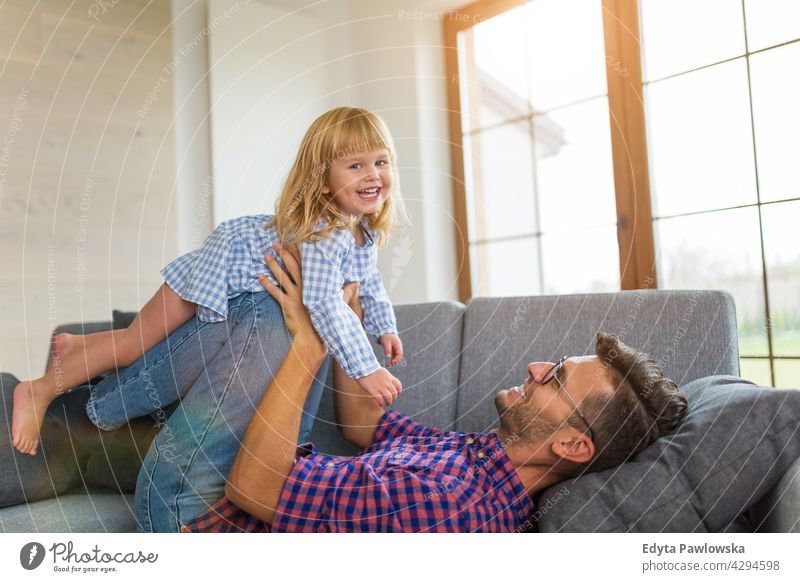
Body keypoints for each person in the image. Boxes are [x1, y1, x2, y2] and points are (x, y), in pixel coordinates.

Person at [181, 241, 689, 533]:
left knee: (266, 315)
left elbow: (253, 489)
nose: (536, 367)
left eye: (555, 378)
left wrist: (310, 344)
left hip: (200, 512)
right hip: (238, 471)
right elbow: (364, 424)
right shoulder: (478, 456)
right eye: (553, 362)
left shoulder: (450, 505)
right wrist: (346, 324)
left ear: (572, 445)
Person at [11, 106, 407, 456]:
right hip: (216, 270)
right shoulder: (326, 233)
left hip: (229, 275)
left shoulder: (361, 232)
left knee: (135, 341)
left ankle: (77, 346)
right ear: (322, 182)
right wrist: (365, 369)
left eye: (381, 162)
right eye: (356, 165)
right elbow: (324, 303)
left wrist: (383, 327)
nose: (373, 174)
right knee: (133, 347)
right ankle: (39, 390)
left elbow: (368, 284)